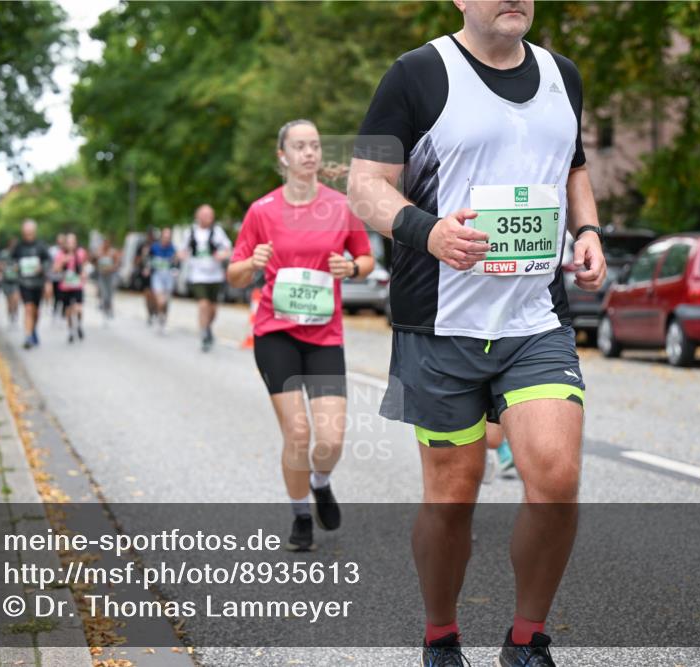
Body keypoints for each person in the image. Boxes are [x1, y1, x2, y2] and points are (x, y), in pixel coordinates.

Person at [347, 1, 607, 665]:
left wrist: (587, 231)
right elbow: (365, 185)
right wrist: (428, 231)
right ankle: (441, 634)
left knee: (556, 478)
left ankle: (526, 640)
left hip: (535, 319)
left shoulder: (563, 76)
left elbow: (574, 166)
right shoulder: (417, 74)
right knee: (451, 499)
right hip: (441, 324)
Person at [228, 119, 375, 552]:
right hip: (276, 335)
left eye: (314, 145)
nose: (309, 152)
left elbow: (366, 259)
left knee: (330, 440)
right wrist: (252, 262)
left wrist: (351, 268)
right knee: (297, 434)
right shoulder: (262, 211)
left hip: (324, 336)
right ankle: (300, 516)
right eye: (299, 146)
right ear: (283, 156)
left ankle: (320, 481)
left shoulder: (341, 206)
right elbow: (235, 274)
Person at [180, 204, 232, 351]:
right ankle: (204, 334)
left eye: (211, 215)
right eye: (206, 215)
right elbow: (181, 251)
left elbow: (228, 249)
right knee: (203, 305)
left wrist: (222, 255)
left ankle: (208, 327)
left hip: (215, 276)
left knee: (213, 310)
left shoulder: (217, 231)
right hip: (198, 276)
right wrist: (183, 256)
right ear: (198, 216)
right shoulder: (190, 232)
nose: (209, 218)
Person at [12, 219, 52, 349]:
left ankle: (33, 329)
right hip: (24, 283)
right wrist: (15, 266)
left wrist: (42, 268)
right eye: (25, 233)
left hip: (38, 283)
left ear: (34, 232)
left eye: (30, 233)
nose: (27, 235)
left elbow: (49, 261)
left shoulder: (41, 246)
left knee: (36, 311)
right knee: (28, 308)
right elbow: (11, 261)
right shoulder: (18, 247)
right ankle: (28, 336)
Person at [53, 232, 88, 343]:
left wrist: (84, 274)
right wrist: (63, 261)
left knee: (78, 308)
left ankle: (79, 325)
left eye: (73, 242)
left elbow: (84, 265)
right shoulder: (61, 254)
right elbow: (55, 269)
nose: (71, 244)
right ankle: (71, 331)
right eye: (68, 242)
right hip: (65, 286)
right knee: (68, 310)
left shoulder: (81, 252)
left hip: (77, 285)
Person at [147, 227, 177, 334]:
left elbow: (176, 262)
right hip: (157, 276)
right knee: (161, 300)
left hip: (168, 277)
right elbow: (148, 259)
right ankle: (159, 316)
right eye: (165, 236)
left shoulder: (173, 248)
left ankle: (163, 319)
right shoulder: (154, 247)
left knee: (166, 301)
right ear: (161, 237)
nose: (166, 239)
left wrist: (176, 269)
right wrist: (147, 268)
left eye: (168, 237)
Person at [134, 228, 158, 325]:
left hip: (155, 273)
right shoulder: (142, 246)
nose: (150, 237)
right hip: (144, 273)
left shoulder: (157, 246)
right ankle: (149, 313)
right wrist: (143, 255)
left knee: (155, 294)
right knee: (147, 294)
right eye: (149, 235)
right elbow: (136, 260)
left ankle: (155, 310)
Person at [94, 237, 121, 320]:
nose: (105, 245)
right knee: (104, 293)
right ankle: (105, 308)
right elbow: (94, 262)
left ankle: (110, 308)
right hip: (102, 275)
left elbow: (117, 263)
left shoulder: (113, 252)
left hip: (111, 275)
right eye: (104, 243)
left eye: (107, 243)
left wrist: (111, 268)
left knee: (110, 293)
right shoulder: (99, 252)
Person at [0, 238, 21, 325]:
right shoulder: (3, 254)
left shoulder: (19, 254)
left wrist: (18, 268)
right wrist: (5, 268)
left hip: (16, 281)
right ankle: (10, 315)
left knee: (16, 299)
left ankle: (15, 313)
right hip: (6, 280)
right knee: (9, 300)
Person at [48, 233, 65, 318]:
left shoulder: (67, 250)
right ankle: (55, 309)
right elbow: (49, 262)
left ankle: (63, 310)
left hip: (64, 277)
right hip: (55, 276)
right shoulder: (52, 250)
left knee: (63, 294)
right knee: (56, 294)